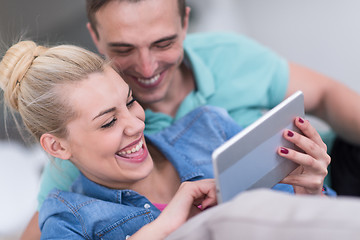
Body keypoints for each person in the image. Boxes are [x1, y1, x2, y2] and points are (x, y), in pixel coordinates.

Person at [20, 0, 360, 237]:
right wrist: (168, 223)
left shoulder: (211, 114)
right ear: (97, 38)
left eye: (162, 43)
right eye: (124, 50)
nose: (146, 68)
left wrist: (311, 187)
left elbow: (328, 97)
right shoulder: (68, 193)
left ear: (184, 24)